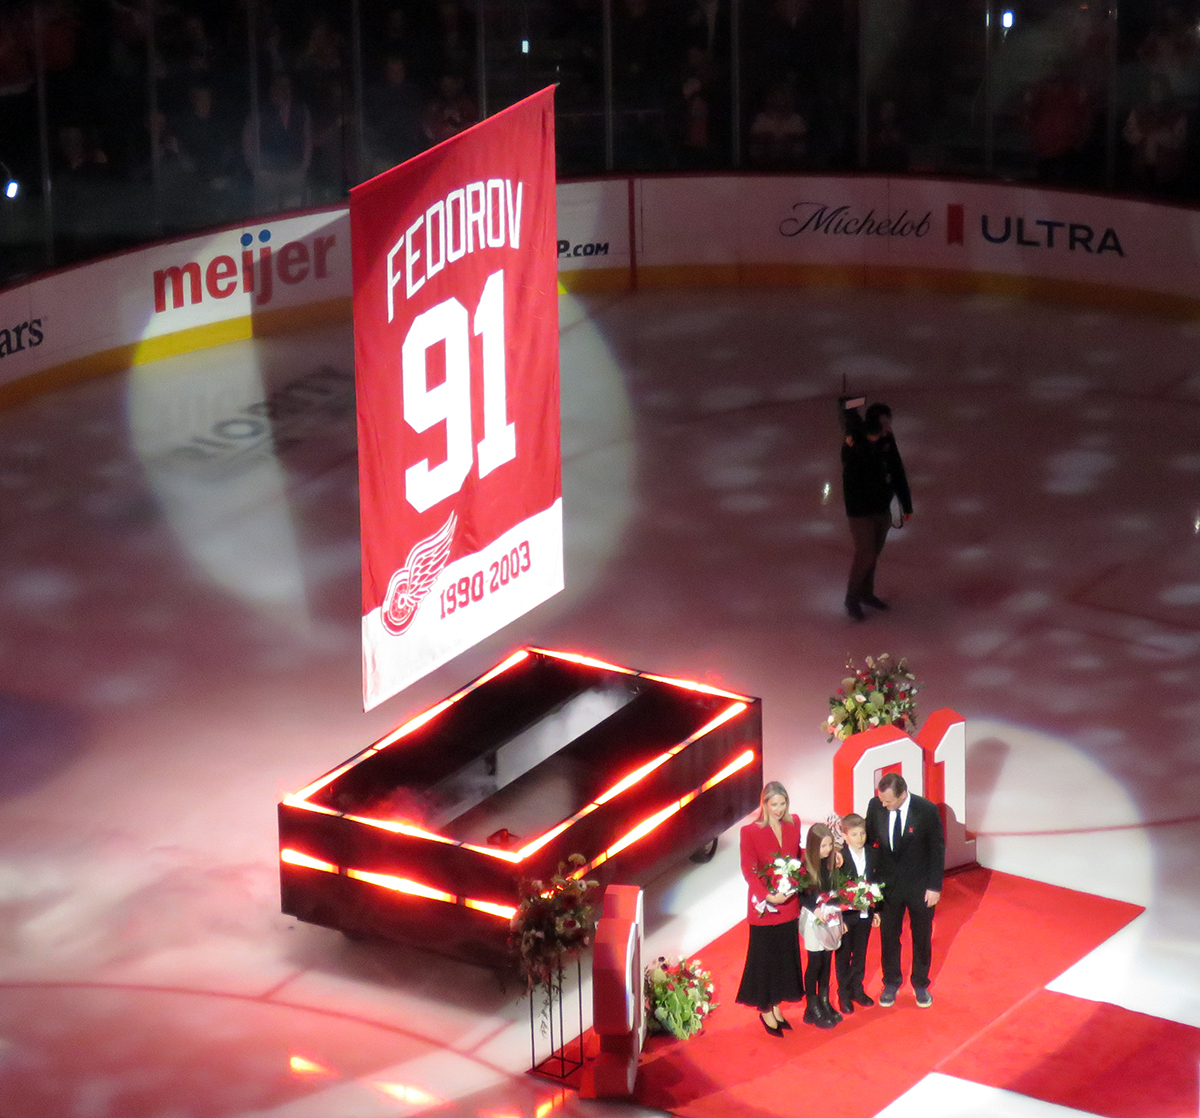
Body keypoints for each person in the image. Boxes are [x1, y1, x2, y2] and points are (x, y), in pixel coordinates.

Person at [865, 772, 944, 1008]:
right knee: (889, 936)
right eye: (881, 799)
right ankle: (891, 981)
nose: (883, 804)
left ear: (902, 795)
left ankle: (920, 983)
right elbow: (869, 843)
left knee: (921, 936)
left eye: (888, 801)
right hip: (887, 886)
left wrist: (935, 886)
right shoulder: (875, 805)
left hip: (920, 886)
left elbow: (937, 849)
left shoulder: (926, 810)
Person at [736, 781, 805, 1037]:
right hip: (764, 906)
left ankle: (776, 1005)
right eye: (773, 804)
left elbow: (797, 856)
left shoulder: (794, 823)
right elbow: (749, 870)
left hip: (788, 903)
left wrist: (799, 879)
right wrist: (768, 896)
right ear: (764, 804)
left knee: (784, 957)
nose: (778, 809)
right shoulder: (749, 832)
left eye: (782, 803)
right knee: (763, 958)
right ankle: (765, 1006)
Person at [841, 400, 912, 622]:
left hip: (881, 507)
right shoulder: (855, 442)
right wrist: (853, 405)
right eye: (884, 422)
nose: (888, 426)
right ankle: (852, 598)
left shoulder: (886, 440)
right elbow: (846, 407)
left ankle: (865, 593)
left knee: (874, 554)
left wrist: (905, 503)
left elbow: (896, 469)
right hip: (860, 510)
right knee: (866, 554)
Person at [834, 812, 880, 1014]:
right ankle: (843, 993)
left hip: (865, 913)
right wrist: (837, 917)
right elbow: (834, 889)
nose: (860, 838)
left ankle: (857, 989)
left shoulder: (872, 853)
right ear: (844, 836)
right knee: (844, 954)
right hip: (846, 915)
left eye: (862, 833)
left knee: (860, 952)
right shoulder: (839, 858)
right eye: (854, 834)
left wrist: (876, 910)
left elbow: (876, 883)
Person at [797, 821, 843, 1028]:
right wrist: (815, 907)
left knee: (826, 961)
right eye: (823, 846)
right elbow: (800, 895)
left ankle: (824, 1001)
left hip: (829, 919)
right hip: (813, 920)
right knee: (815, 963)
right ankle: (811, 1006)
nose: (827, 850)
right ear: (814, 846)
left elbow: (834, 891)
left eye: (829, 845)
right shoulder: (804, 867)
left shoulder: (829, 864)